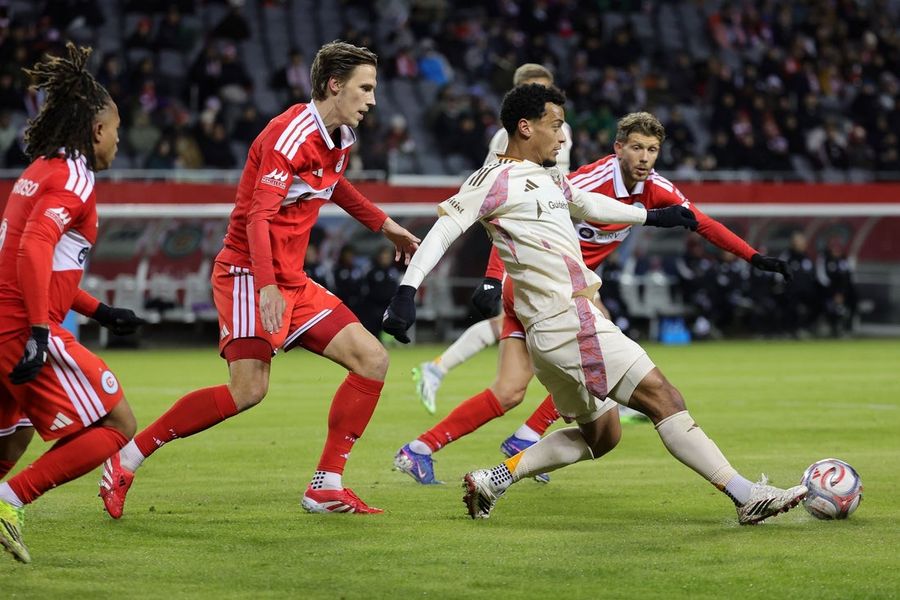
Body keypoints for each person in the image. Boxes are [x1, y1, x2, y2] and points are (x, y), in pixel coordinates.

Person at [383, 83, 807, 525]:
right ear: (525, 127)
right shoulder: (493, 179)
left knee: (602, 436)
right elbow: (444, 231)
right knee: (663, 397)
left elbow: (585, 204)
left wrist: (651, 216)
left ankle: (495, 478)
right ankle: (746, 496)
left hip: (549, 333)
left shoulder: (549, 176)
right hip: (569, 320)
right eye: (556, 126)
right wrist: (406, 291)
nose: (563, 137)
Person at [98, 41, 420, 518]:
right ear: (335, 85)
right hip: (249, 274)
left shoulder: (340, 137)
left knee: (372, 359)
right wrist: (267, 286)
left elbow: (334, 185)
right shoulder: (288, 136)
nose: (372, 100)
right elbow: (257, 217)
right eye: (365, 88)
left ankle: (326, 485)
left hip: (290, 279)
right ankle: (125, 459)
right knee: (248, 390)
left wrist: (386, 225)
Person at [0, 43, 147, 563]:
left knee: (13, 439)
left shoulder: (40, 169)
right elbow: (35, 246)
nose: (118, 143)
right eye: (117, 132)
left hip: (7, 318)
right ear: (97, 130)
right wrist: (41, 332)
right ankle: (10, 501)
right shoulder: (75, 178)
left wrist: (99, 312)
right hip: (20, 327)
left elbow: (39, 264)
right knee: (118, 425)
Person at [412, 63, 572, 415]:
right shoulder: (505, 138)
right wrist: (492, 274)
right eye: (534, 89)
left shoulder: (561, 130)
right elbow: (494, 199)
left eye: (547, 90)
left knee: (522, 330)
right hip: (524, 240)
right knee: (578, 321)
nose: (542, 97)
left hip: (553, 236)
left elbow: (565, 188)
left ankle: (438, 369)